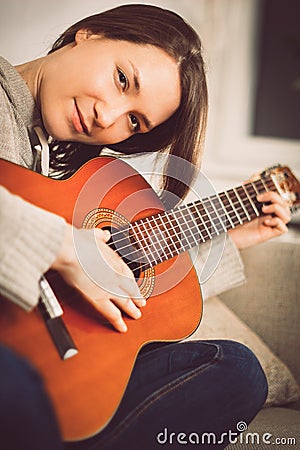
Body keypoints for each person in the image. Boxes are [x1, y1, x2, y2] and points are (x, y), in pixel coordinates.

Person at [0, 4, 291, 450]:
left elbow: (133, 295)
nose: (108, 117)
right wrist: (64, 246)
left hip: (39, 365)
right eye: (122, 79)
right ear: (90, 33)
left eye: (134, 121)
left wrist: (228, 241)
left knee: (235, 370)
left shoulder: (69, 171)